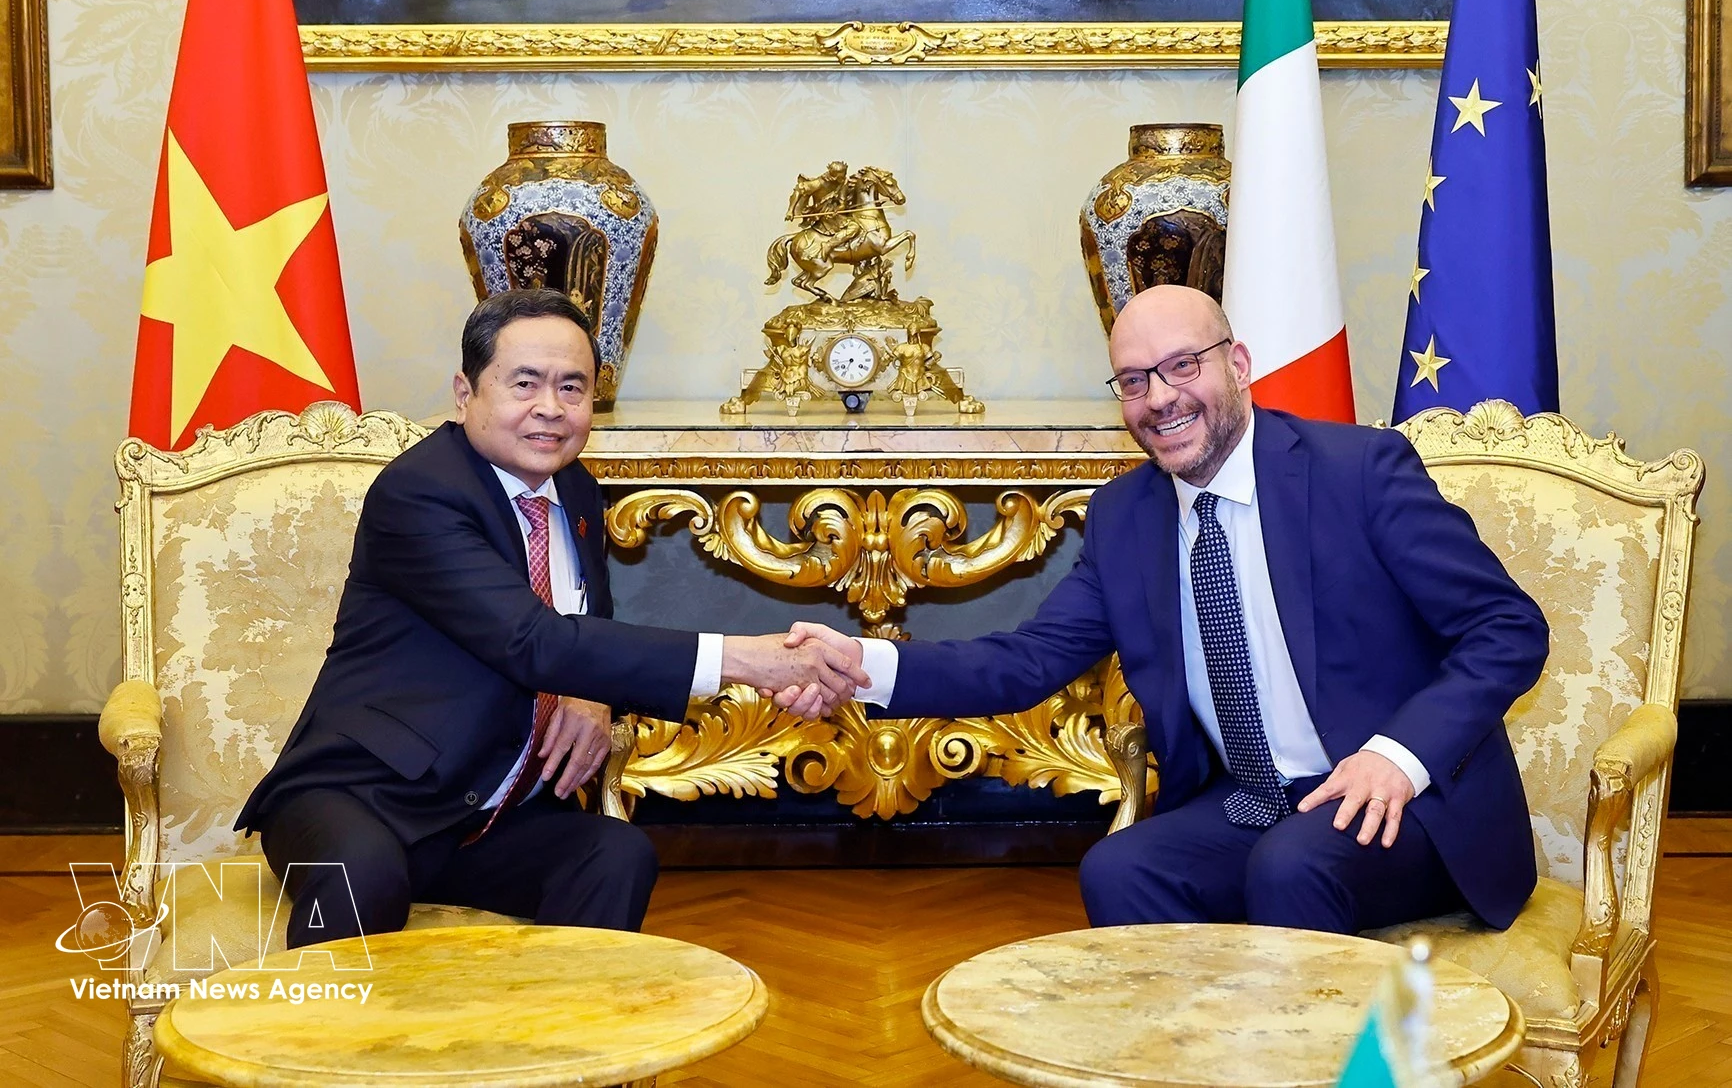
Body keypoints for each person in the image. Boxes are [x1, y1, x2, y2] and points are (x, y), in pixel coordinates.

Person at [778, 284, 1549, 935]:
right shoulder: (1125, 518)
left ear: (1237, 365)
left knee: (1292, 866)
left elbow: (1507, 628)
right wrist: (860, 663)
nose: (1160, 397)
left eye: (1183, 365)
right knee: (1121, 868)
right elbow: (1024, 661)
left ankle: (1304, 1054)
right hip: (1256, 802)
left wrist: (1397, 755)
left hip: (1405, 807)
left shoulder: (1359, 473)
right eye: (1133, 380)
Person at [236, 288, 865, 946]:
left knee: (614, 855)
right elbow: (530, 639)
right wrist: (747, 659)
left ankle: (566, 1016)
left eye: (572, 387)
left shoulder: (576, 492)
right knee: (361, 874)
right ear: (465, 393)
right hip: (362, 796)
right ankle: (322, 1017)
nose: (551, 407)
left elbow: (586, 633)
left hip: (482, 815)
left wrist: (591, 695)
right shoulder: (422, 491)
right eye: (525, 383)